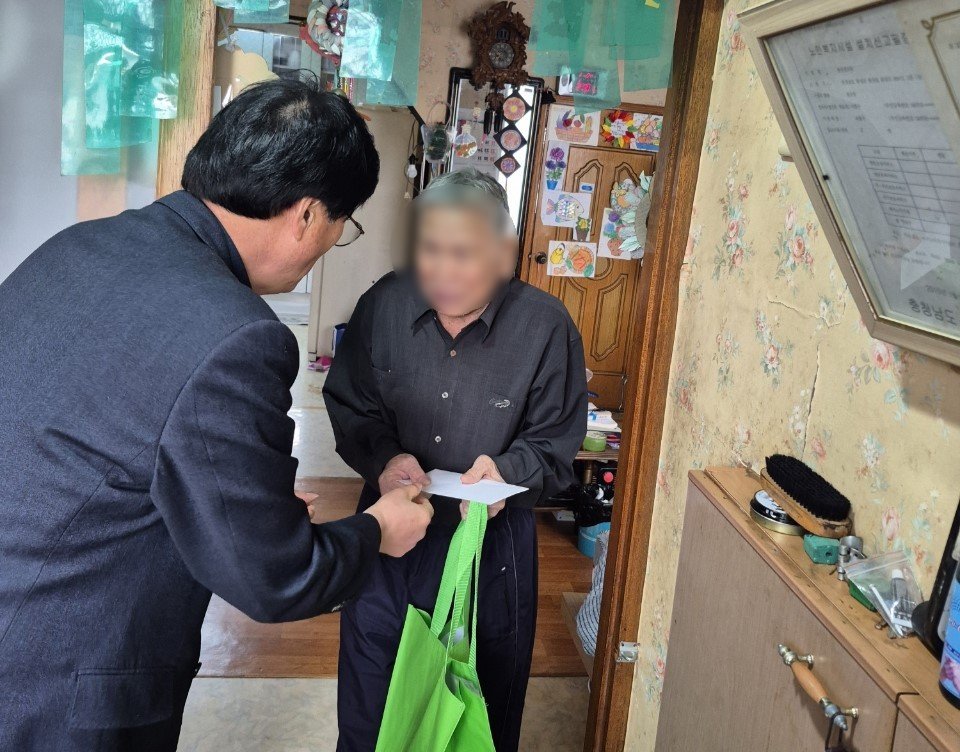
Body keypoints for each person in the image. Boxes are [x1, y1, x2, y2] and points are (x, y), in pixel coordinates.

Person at [0, 79, 433, 752]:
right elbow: (275, 578)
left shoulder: (77, 247)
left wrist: (234, 503)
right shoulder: (238, 336)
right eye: (341, 227)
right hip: (62, 681)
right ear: (307, 215)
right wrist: (378, 529)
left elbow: (91, 447)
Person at [324, 168, 588, 751]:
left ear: (502, 254)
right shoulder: (383, 305)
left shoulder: (546, 328)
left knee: (478, 707)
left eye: (462, 254)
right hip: (389, 536)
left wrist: (507, 472)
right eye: (430, 251)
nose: (441, 273)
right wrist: (385, 458)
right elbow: (352, 405)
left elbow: (556, 442)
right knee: (372, 701)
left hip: (490, 552)